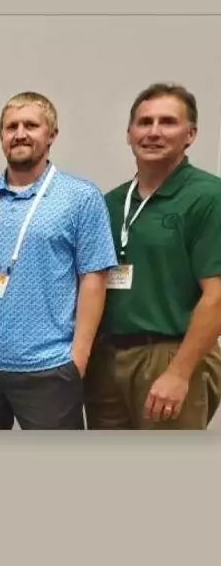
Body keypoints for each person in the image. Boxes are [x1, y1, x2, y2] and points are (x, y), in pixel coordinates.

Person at [0, 91, 117, 430]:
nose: (20, 134)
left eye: (31, 125)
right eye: (11, 126)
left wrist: (78, 358)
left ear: (51, 135)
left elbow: (94, 279)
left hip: (48, 365)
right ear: (1, 137)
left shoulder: (81, 197)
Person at [86, 82, 221, 429]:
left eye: (168, 122)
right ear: (129, 134)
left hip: (171, 354)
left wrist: (179, 373)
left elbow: (217, 296)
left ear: (190, 134)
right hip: (107, 358)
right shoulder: (110, 203)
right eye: (144, 122)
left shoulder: (208, 197)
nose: (154, 132)